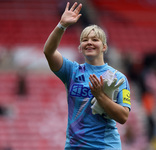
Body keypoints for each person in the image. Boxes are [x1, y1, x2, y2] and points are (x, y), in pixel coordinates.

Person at [43, 2, 131, 149]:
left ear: (104, 46)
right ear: (80, 47)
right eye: (85, 40)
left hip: (106, 146)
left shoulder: (118, 77)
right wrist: (61, 25)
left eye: (95, 39)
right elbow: (49, 52)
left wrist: (100, 96)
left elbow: (123, 117)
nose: (89, 43)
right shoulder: (72, 71)